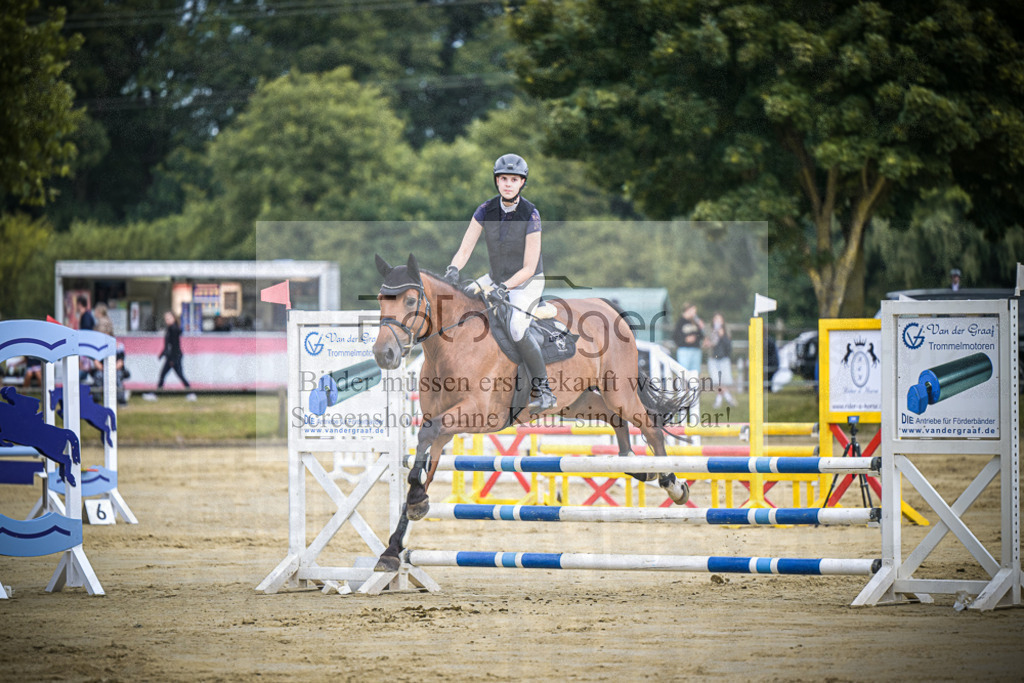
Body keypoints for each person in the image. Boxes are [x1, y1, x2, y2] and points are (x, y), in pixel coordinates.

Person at [444, 153, 556, 412]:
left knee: (516, 328)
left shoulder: (531, 214)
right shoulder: (485, 210)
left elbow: (529, 267)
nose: (507, 183)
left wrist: (504, 288)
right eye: (503, 178)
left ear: (522, 183)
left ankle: (545, 390)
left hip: (526, 281)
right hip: (495, 278)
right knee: (464, 302)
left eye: (513, 179)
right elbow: (464, 249)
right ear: (497, 181)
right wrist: (453, 269)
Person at [157, 310, 194, 397]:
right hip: (172, 356)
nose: (167, 320)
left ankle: (190, 392)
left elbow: (175, 345)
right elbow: (168, 344)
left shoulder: (173, 329)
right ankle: (157, 393)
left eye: (169, 318)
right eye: (166, 318)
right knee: (165, 374)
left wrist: (173, 359)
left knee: (178, 374)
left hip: (174, 356)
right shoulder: (171, 329)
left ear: (173, 318)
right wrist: (162, 354)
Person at [704, 312, 737, 407]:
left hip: (724, 359)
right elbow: (706, 344)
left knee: (723, 381)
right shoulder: (710, 331)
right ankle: (728, 398)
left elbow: (729, 347)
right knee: (717, 381)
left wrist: (722, 336)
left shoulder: (726, 332)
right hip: (713, 359)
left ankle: (720, 400)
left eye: (719, 319)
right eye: (716, 319)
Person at [672, 303, 704, 373]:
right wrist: (685, 340)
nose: (695, 313)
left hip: (696, 349)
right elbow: (675, 337)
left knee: (695, 372)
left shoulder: (695, 322)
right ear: (687, 310)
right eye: (693, 311)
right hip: (684, 350)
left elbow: (701, 336)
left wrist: (701, 328)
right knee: (684, 372)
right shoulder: (680, 322)